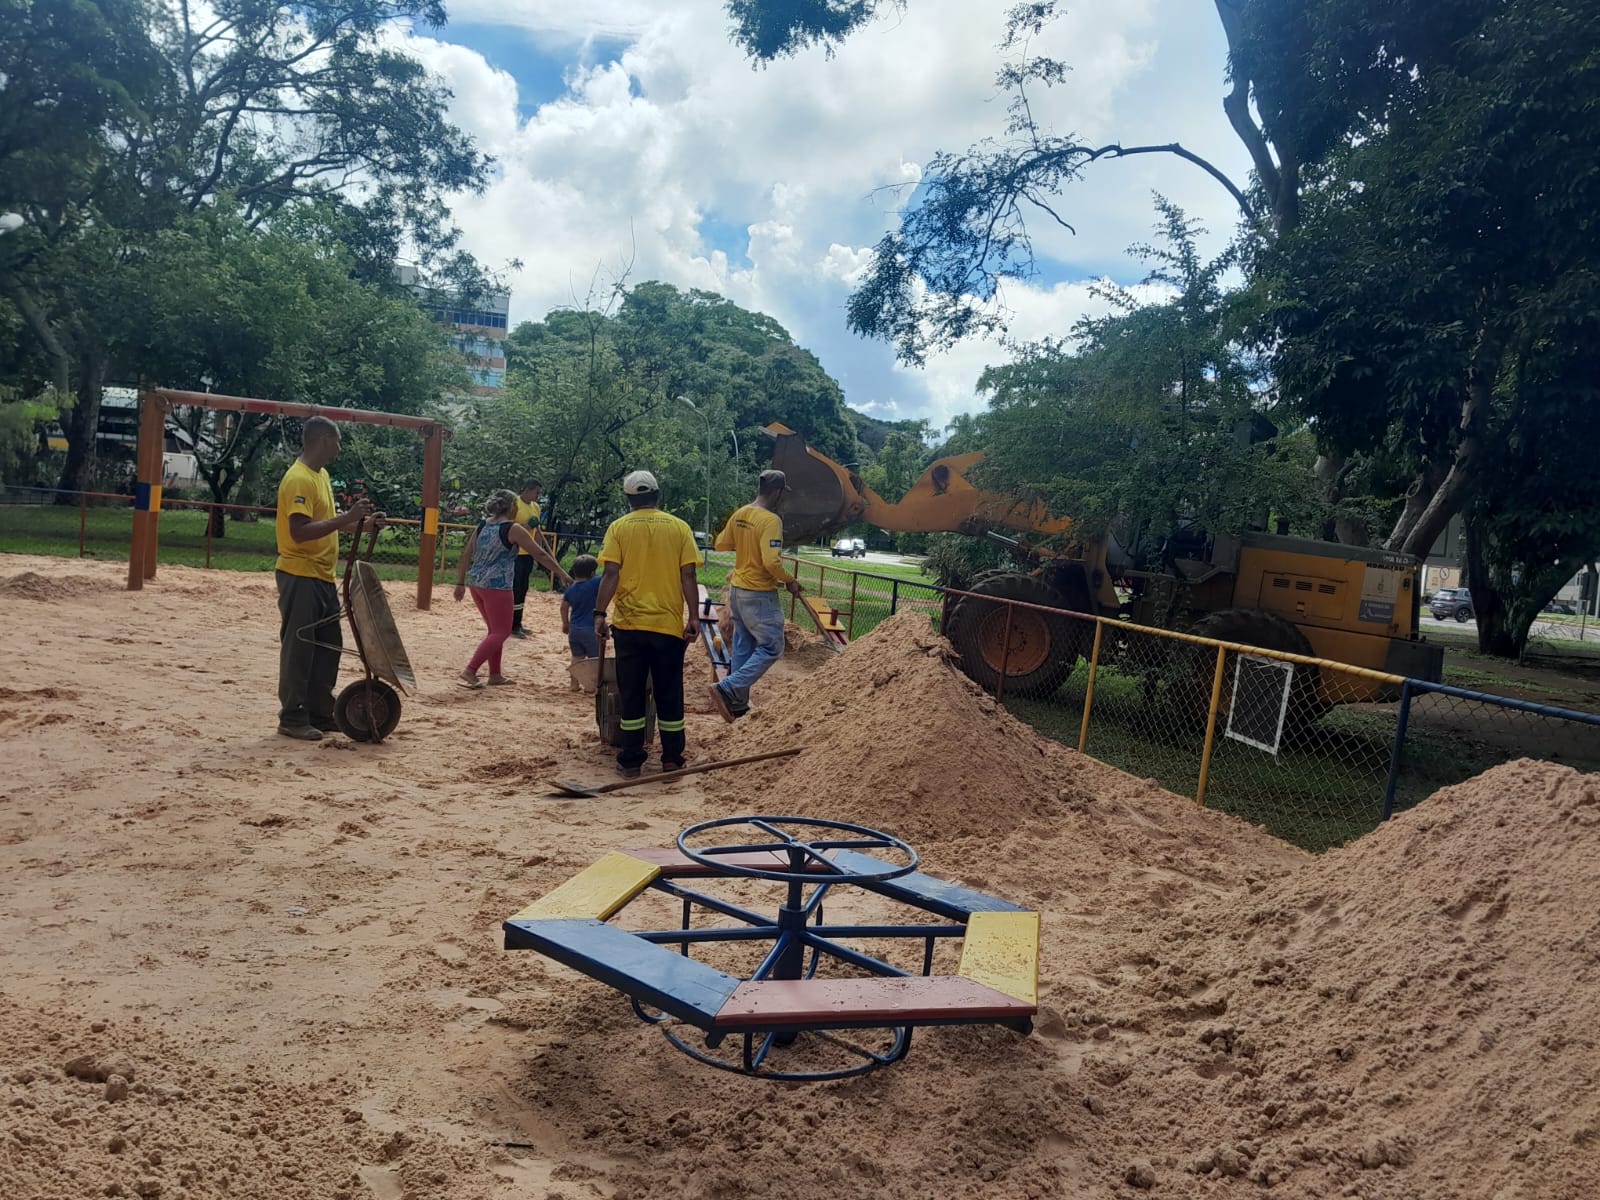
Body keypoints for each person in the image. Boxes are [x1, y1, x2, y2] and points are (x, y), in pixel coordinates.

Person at [274, 416, 383, 741]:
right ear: (323, 440)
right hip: (299, 573)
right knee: (300, 646)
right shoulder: (299, 479)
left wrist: (360, 524)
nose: (338, 448)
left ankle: (321, 711)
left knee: (328, 646)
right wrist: (348, 518)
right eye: (336, 442)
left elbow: (326, 522)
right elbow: (299, 531)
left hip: (321, 575)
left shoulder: (320, 476)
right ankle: (292, 716)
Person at [593, 471, 700, 777]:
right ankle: (671, 758)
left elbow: (610, 573)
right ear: (657, 494)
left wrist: (599, 613)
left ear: (629, 499)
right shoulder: (679, 528)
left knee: (631, 691)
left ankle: (630, 758)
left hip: (629, 624)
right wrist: (693, 616)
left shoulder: (619, 527)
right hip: (667, 626)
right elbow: (688, 575)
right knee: (669, 691)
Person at [708, 469, 804, 722]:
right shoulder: (771, 521)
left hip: (738, 590)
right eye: (783, 494)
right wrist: (791, 581)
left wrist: (745, 541)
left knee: (743, 645)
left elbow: (721, 543)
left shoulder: (741, 513)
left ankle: (738, 703)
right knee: (772, 646)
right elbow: (771, 562)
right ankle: (728, 687)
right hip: (758, 593)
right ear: (777, 492)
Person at [454, 489, 570, 689]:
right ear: (512, 507)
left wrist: (459, 583)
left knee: (494, 631)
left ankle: (495, 674)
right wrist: (561, 573)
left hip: (477, 583)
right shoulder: (513, 529)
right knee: (501, 632)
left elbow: (466, 554)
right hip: (498, 585)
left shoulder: (482, 525)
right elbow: (540, 554)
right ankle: (470, 670)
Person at [560, 554, 602, 689]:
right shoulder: (594, 582)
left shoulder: (570, 589)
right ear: (592, 572)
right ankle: (590, 686)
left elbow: (563, 607)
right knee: (593, 658)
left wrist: (565, 623)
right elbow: (608, 577)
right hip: (590, 629)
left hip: (574, 629)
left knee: (577, 657)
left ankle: (574, 684)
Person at [510, 479, 545, 638]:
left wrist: (539, 553)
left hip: (527, 554)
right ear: (527, 490)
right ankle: (511, 624)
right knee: (514, 589)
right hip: (514, 554)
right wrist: (527, 526)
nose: (538, 496)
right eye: (536, 492)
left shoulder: (536, 507)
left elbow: (537, 533)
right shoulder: (513, 504)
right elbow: (508, 530)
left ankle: (518, 622)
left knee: (523, 589)